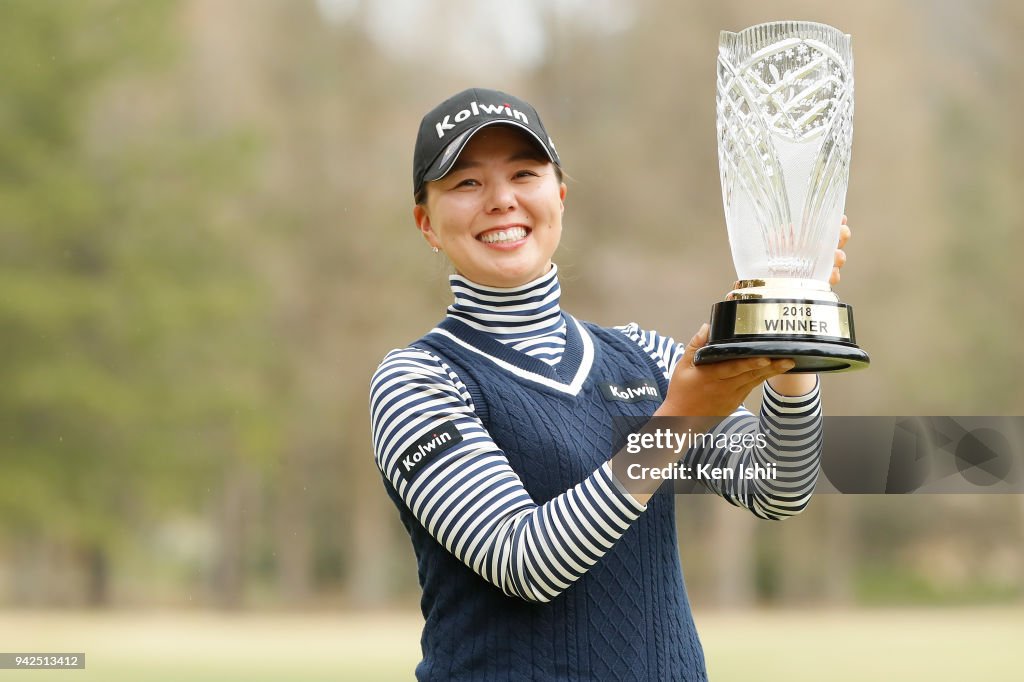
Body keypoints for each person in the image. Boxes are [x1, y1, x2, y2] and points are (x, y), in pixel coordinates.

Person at [369, 87, 850, 681]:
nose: (501, 200)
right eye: (466, 183)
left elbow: (778, 488)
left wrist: (792, 345)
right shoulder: (418, 382)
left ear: (560, 197)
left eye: (525, 173)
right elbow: (526, 561)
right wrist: (677, 421)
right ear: (427, 223)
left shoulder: (643, 356)